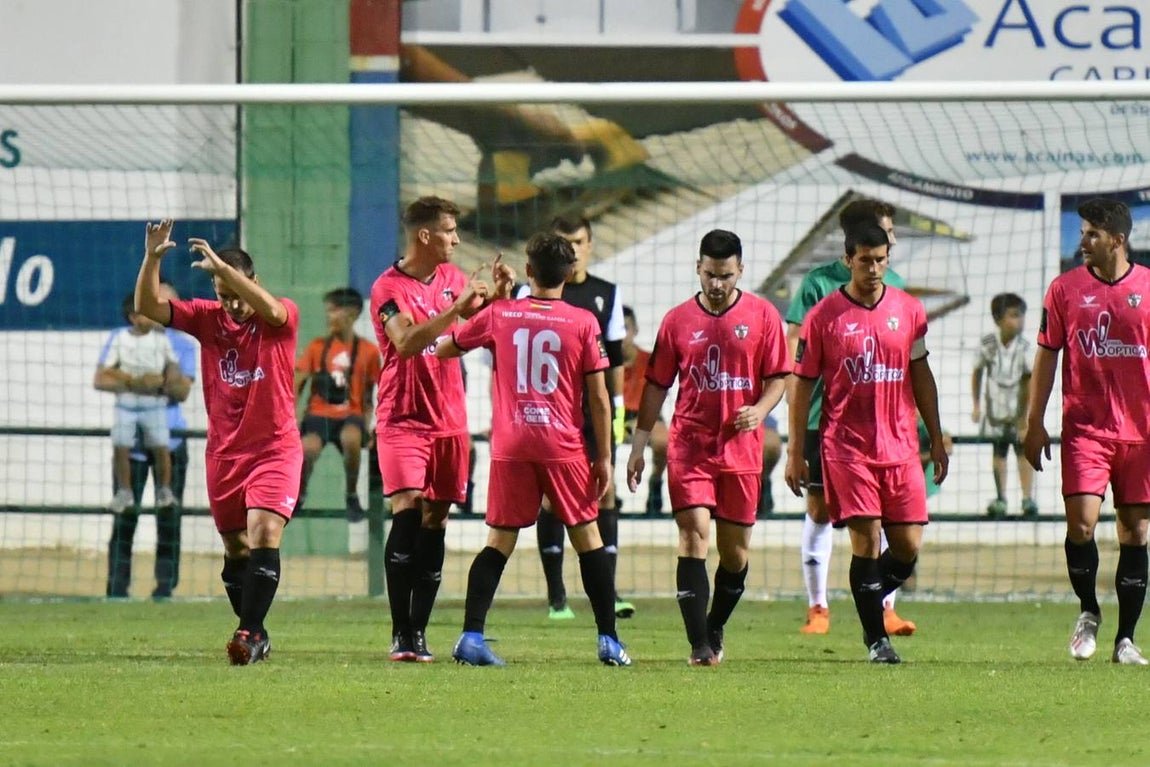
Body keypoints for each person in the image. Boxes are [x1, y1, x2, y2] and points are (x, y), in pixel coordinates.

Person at [438, 233, 631, 666]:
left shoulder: (502, 314)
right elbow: (599, 399)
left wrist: (494, 302)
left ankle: (471, 636)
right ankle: (609, 640)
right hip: (561, 444)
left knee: (499, 541)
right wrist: (603, 457)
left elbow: (446, 349)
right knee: (588, 538)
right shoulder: (583, 322)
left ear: (528, 272)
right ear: (568, 273)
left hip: (510, 444)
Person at [135, 219, 302, 666]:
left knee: (264, 531)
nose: (230, 304)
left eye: (236, 291)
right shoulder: (209, 319)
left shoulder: (278, 315)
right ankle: (256, 631)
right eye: (222, 294)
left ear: (253, 282)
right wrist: (152, 258)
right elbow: (149, 305)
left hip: (275, 448)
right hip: (225, 454)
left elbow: (274, 311)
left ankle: (246, 633)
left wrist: (227, 273)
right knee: (235, 550)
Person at [785, 219, 948, 664]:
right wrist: (796, 449)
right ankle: (877, 640)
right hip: (847, 447)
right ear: (848, 261)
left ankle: (868, 594)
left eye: (880, 261)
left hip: (899, 447)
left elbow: (920, 372)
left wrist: (935, 435)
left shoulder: (909, 310)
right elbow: (800, 385)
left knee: (908, 547)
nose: (873, 269)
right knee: (866, 541)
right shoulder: (824, 317)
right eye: (864, 261)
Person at [627, 229, 789, 665]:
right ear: (698, 268)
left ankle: (714, 624)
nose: (717, 284)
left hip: (741, 449)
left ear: (740, 271)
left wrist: (759, 409)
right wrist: (639, 446)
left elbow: (779, 377)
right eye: (710, 275)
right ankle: (699, 645)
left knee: (735, 555)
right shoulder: (677, 321)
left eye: (726, 275)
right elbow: (657, 386)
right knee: (692, 534)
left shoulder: (763, 316)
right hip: (690, 445)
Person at [370, 196, 497, 662]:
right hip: (402, 418)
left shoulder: (454, 280)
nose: (457, 240)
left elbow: (475, 331)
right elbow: (404, 342)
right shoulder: (387, 288)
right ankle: (400, 631)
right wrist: (453, 311)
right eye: (449, 231)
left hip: (449, 420)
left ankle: (419, 632)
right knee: (406, 510)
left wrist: (496, 300)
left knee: (435, 521)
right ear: (425, 235)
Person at [1024, 197, 1150, 666]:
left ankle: (1126, 640)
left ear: (1117, 240)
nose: (1083, 242)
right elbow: (1046, 355)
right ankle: (1089, 611)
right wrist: (1034, 422)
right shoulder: (1064, 290)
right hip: (1085, 431)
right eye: (1081, 233)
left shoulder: (1149, 289)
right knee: (1081, 524)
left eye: (1092, 234)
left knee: (1135, 532)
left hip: (1142, 433)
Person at [516, 215, 634, 620]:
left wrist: (617, 415)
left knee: (605, 492)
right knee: (551, 500)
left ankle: (611, 591)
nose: (574, 250)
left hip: (595, 413)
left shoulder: (606, 295)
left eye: (580, 242)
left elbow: (615, 362)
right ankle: (557, 596)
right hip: (547, 417)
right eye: (566, 242)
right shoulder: (526, 293)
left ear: (590, 244)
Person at [96, 282, 196, 599]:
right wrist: (139, 381)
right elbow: (101, 378)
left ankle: (164, 587)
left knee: (169, 517)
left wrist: (152, 384)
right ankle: (117, 588)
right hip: (132, 446)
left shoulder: (182, 345)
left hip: (172, 440)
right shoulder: (119, 338)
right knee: (125, 516)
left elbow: (182, 390)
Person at [294, 287, 381, 522]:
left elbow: (373, 394)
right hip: (318, 414)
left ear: (351, 314)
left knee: (352, 438)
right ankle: (298, 494)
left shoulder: (369, 351)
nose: (328, 317)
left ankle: (351, 495)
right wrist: (292, 420)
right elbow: (297, 385)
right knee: (306, 449)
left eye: (333, 311)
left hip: (350, 415)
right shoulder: (316, 347)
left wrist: (370, 424)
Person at [94, 293, 180, 515]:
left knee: (161, 447)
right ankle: (124, 490)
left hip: (154, 403)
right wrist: (132, 380)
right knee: (120, 446)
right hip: (127, 404)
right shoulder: (121, 338)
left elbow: (172, 366)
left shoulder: (161, 339)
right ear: (133, 317)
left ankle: (164, 489)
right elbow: (105, 370)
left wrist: (164, 380)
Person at [971, 292, 1036, 518]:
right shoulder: (988, 344)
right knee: (999, 451)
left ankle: (1027, 499)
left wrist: (1025, 417)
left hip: (1018, 408)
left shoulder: (1026, 347)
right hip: (996, 409)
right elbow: (977, 372)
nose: (1019, 321)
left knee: (1022, 451)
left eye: (1021, 316)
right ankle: (1001, 497)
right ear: (998, 319)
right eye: (1013, 316)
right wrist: (976, 404)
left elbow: (1029, 382)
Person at [621, 305, 668, 516]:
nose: (621, 336)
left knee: (663, 440)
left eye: (625, 329)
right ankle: (605, 492)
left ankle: (656, 480)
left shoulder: (650, 360)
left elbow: (659, 395)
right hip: (614, 417)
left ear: (635, 330)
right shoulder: (601, 362)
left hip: (645, 415)